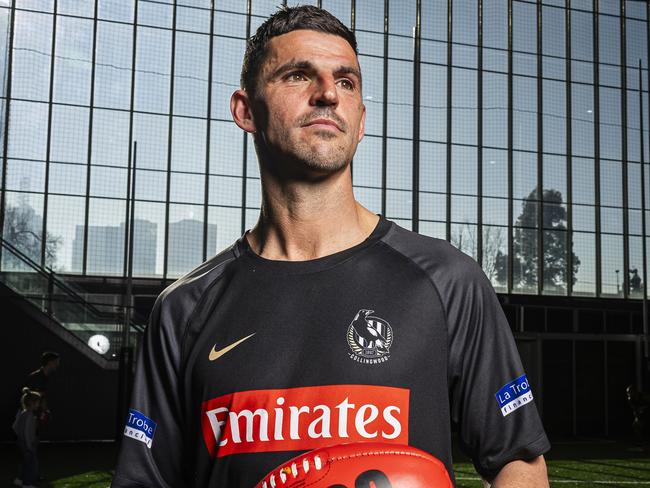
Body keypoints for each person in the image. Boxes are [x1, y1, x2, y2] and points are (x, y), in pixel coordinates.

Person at [113, 6, 550, 487]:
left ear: (360, 120)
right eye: (298, 75)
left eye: (346, 82)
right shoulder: (183, 308)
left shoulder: (446, 279)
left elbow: (519, 462)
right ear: (245, 110)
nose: (327, 94)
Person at [13, 388, 41, 488]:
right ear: (32, 403)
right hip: (27, 444)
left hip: (21, 442)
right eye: (38, 402)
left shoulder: (22, 413)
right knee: (31, 465)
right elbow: (27, 433)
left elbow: (15, 427)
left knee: (25, 463)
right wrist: (29, 446)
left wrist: (20, 437)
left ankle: (19, 480)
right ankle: (27, 484)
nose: (39, 404)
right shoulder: (30, 415)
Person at [23, 351, 60, 429]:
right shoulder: (35, 378)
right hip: (29, 418)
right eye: (56, 362)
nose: (58, 365)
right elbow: (29, 398)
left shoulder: (46, 378)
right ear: (50, 362)